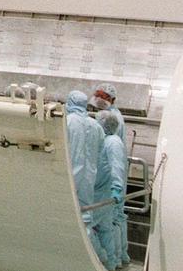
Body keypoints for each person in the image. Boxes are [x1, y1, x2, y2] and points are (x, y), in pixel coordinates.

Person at [66, 90, 105, 247]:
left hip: (70, 175)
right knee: (85, 217)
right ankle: (95, 256)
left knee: (67, 214)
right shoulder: (96, 126)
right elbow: (101, 149)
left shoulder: (68, 121)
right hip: (89, 177)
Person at [98, 110, 130, 269]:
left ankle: (112, 260)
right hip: (104, 191)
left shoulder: (112, 142)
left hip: (105, 193)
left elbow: (117, 167)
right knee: (106, 229)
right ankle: (113, 261)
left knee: (106, 227)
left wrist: (116, 188)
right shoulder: (108, 140)